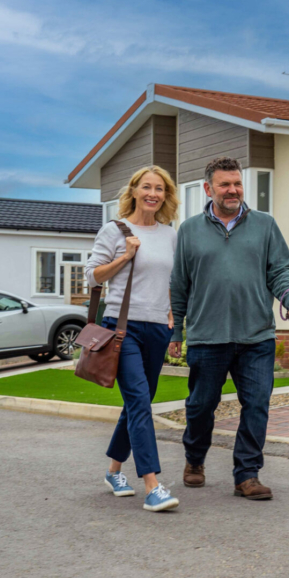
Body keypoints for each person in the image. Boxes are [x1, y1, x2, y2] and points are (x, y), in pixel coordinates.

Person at [169, 156, 289, 500]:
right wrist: (176, 331)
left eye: (237, 183)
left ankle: (247, 474)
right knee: (201, 405)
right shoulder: (189, 230)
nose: (233, 190)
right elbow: (179, 285)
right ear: (208, 188)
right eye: (225, 184)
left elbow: (280, 270)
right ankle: (195, 458)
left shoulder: (265, 225)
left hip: (256, 335)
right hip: (207, 336)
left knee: (256, 404)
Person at [86, 166, 180, 512]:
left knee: (138, 402)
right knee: (140, 402)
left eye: (160, 189)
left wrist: (173, 315)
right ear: (135, 191)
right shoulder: (114, 230)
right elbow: (92, 277)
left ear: (165, 196)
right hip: (121, 328)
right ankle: (153, 486)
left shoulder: (170, 235)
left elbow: (171, 280)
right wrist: (125, 256)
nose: (153, 193)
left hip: (157, 329)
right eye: (147, 187)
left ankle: (113, 471)